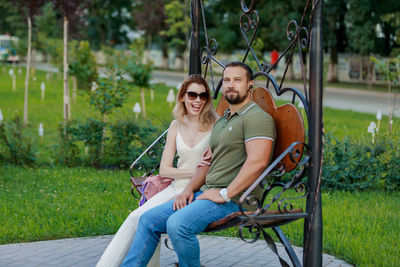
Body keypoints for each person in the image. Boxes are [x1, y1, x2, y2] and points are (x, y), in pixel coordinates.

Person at [121, 61, 276, 267]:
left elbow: (258, 162)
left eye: (237, 80)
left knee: (178, 225)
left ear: (250, 85)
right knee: (148, 220)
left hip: (236, 198)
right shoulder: (224, 120)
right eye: (227, 79)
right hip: (207, 193)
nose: (230, 84)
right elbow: (206, 162)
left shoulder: (257, 118)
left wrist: (224, 194)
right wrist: (189, 189)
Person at [96, 74, 217, 267]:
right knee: (136, 217)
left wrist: (197, 175)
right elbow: (165, 169)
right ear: (183, 97)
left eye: (203, 96)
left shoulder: (215, 125)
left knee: (145, 220)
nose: (197, 101)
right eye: (192, 95)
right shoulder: (176, 125)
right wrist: (194, 171)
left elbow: (215, 168)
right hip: (176, 188)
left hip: (198, 191)